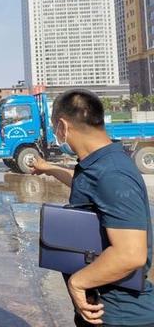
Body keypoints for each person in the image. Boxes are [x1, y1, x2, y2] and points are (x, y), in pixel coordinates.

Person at [30, 89, 154, 326]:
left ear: (63, 127)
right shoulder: (97, 164)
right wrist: (48, 168)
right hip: (100, 310)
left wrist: (78, 283)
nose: (57, 134)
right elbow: (88, 187)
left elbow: (131, 254)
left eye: (55, 127)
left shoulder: (113, 173)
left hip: (121, 316)